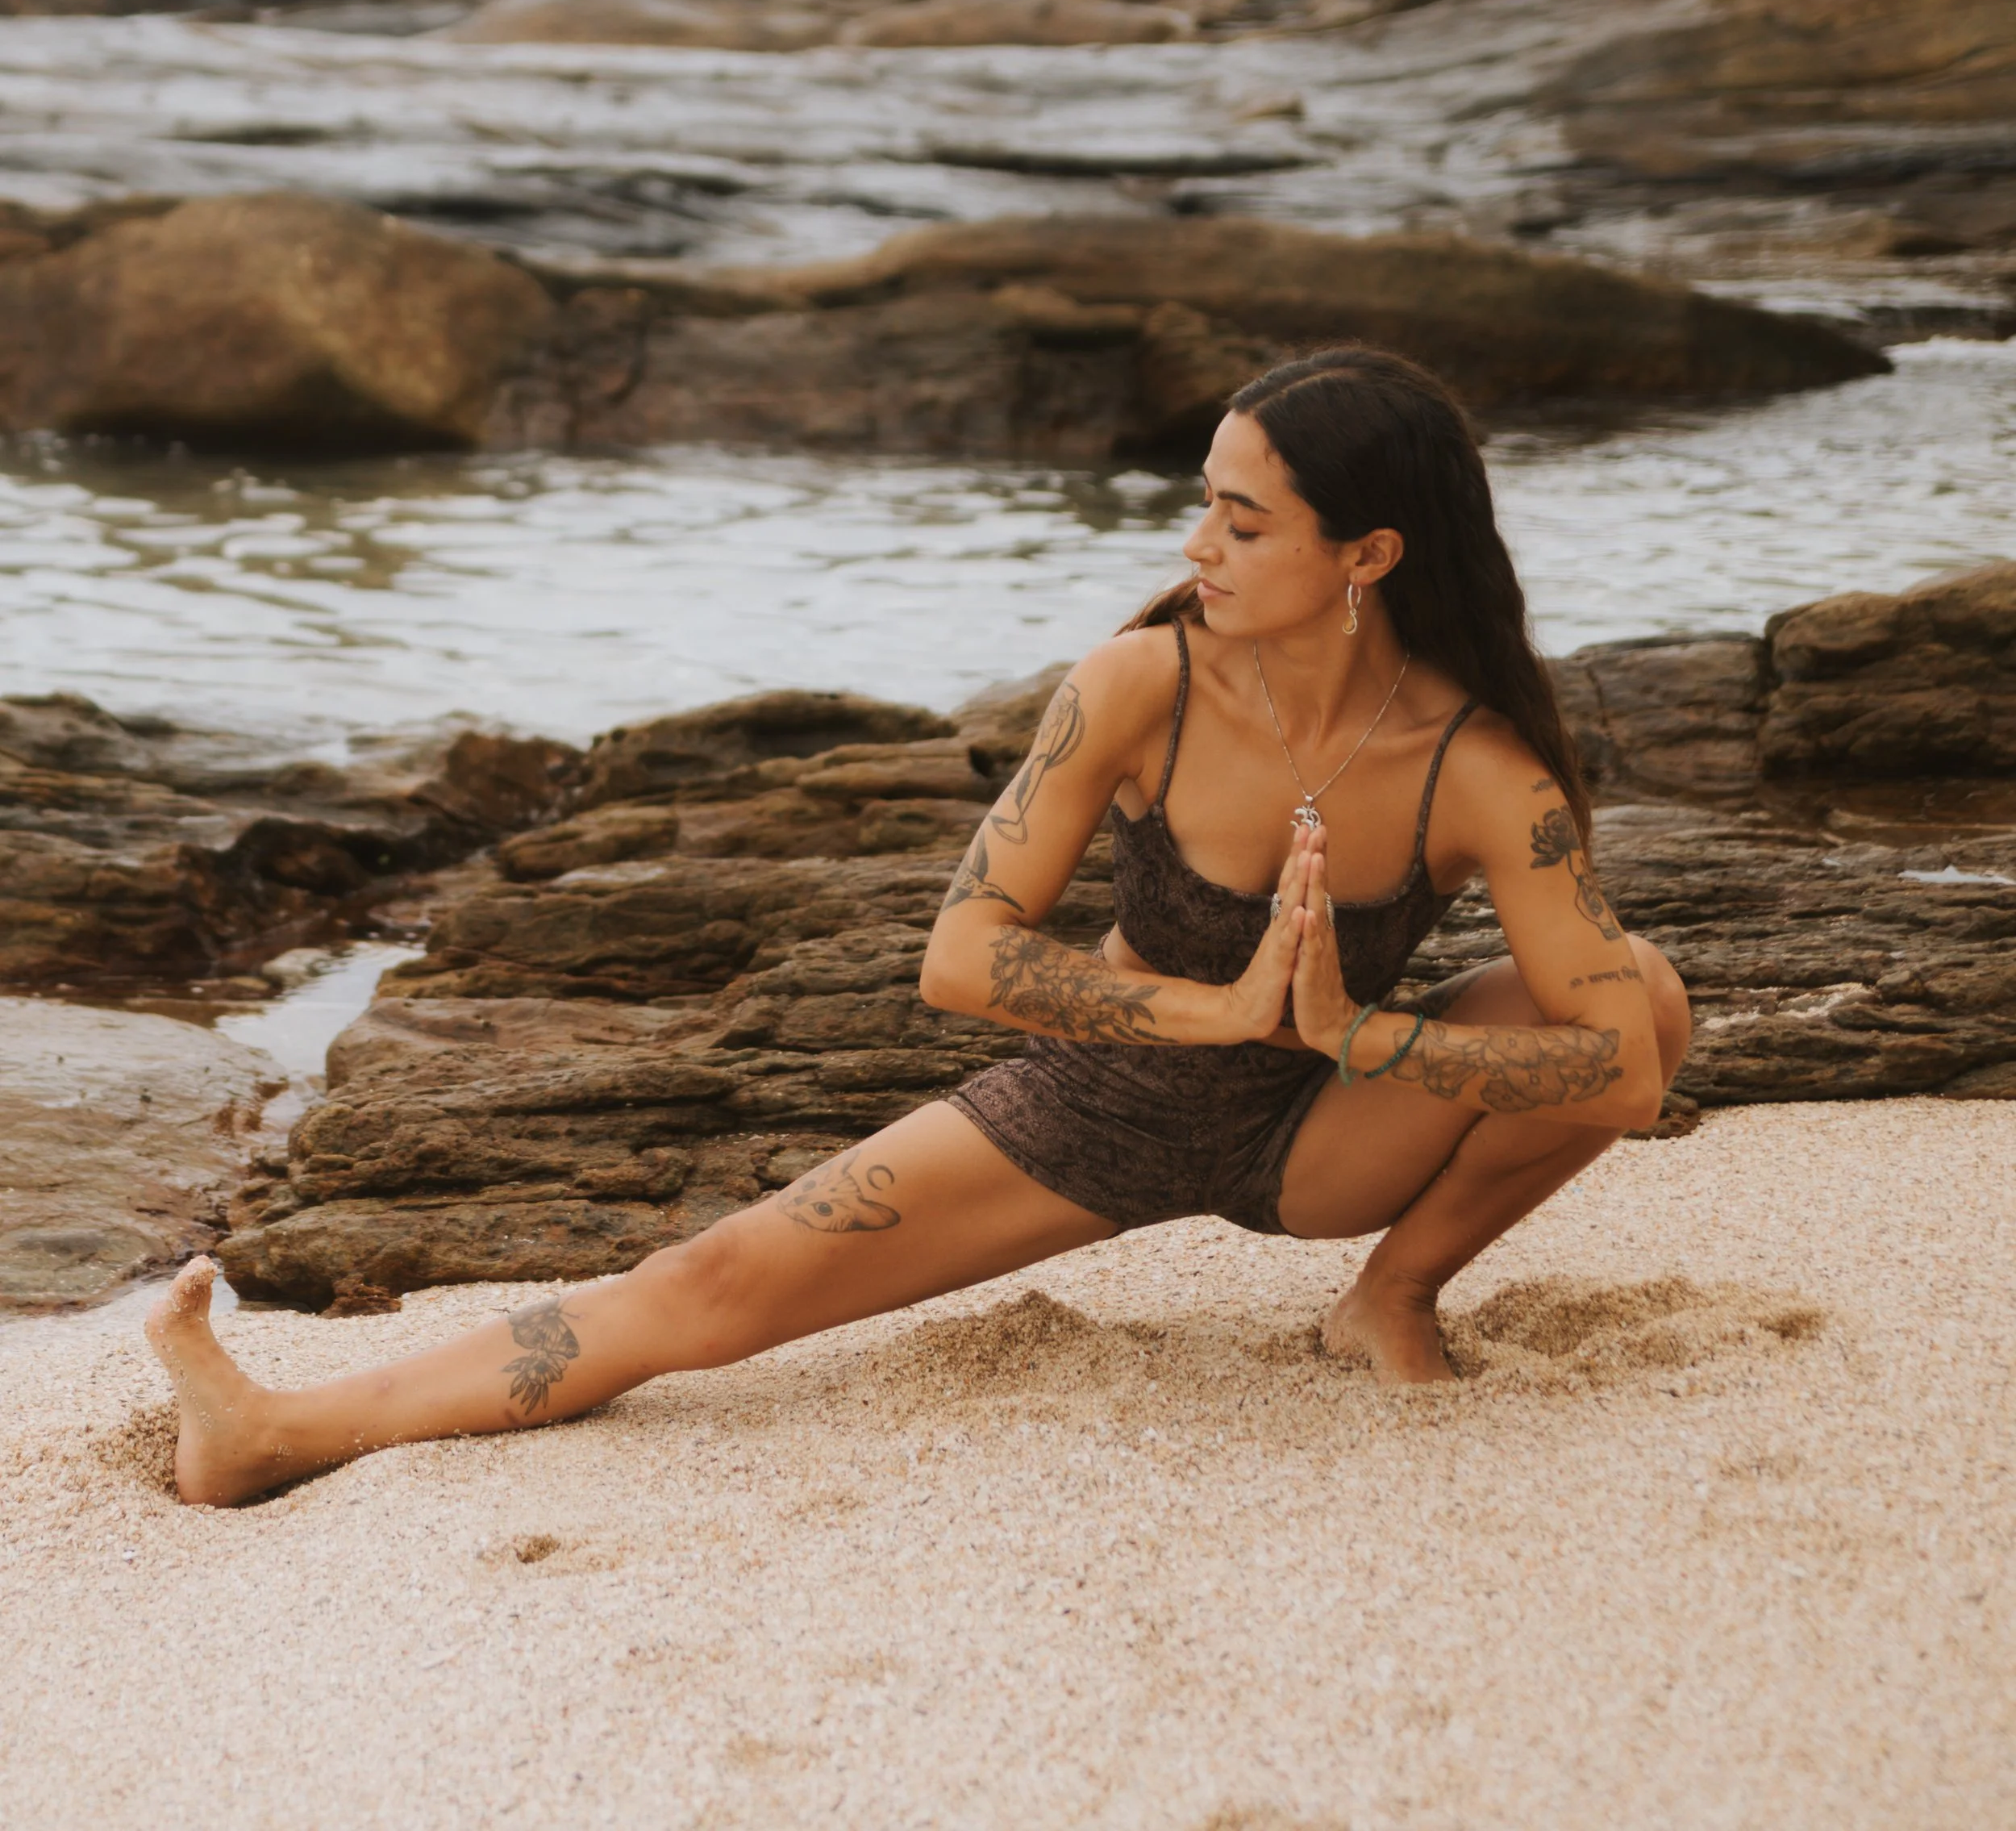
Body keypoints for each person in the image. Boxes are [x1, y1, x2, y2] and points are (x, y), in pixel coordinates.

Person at [149, 345, 1690, 1506]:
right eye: (1198, 507)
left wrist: (1361, 1034)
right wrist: (1216, 1014)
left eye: (1242, 522)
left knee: (1654, 990)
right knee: (702, 1297)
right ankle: (275, 1429)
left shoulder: (1483, 771)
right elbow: (962, 956)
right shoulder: (1140, 682)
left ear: (1368, 557)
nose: (1195, 550)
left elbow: (1625, 1073)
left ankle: (1391, 1297)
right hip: (1096, 1107)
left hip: (1326, 1133)